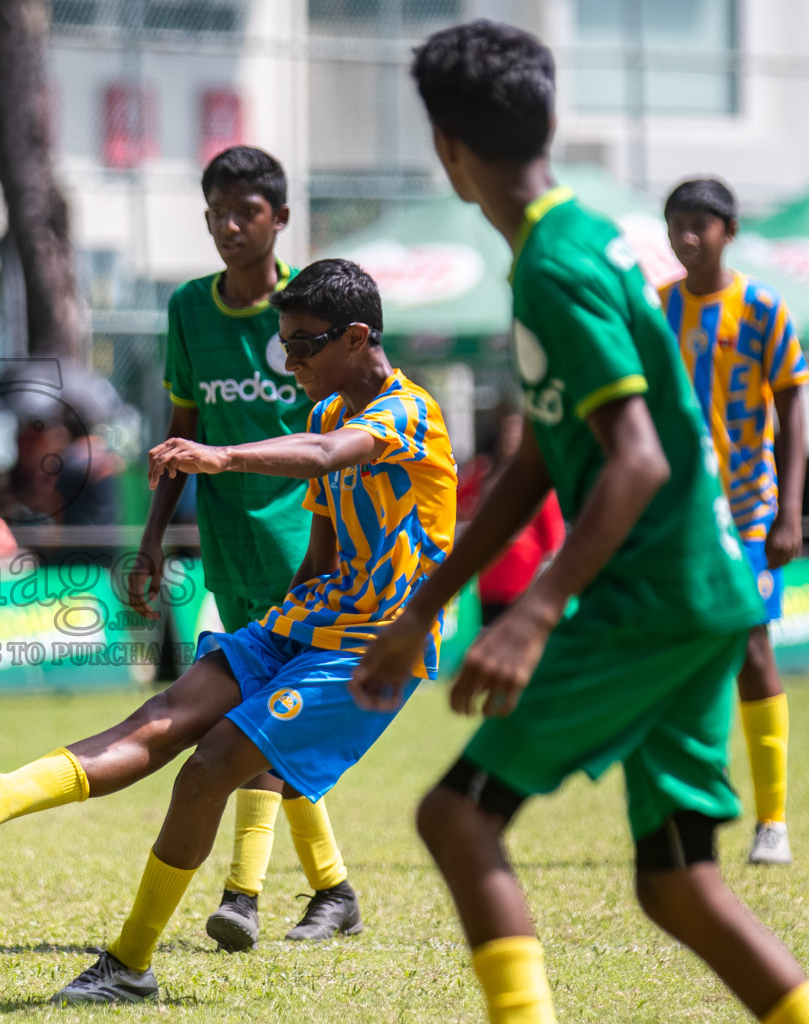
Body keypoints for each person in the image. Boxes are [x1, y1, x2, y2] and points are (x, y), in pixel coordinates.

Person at [352, 22, 809, 1024]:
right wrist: (430, 604)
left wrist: (533, 611)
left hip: (651, 596)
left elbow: (637, 457)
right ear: (549, 120)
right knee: (679, 880)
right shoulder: (583, 237)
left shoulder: (555, 267)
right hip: (707, 593)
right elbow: (541, 460)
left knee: (457, 819)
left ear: (448, 148)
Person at [0, 259, 456, 1003]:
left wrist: (218, 456)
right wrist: (288, 619)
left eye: (304, 345)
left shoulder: (409, 414)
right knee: (157, 720)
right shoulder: (323, 411)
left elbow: (322, 459)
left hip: (374, 647)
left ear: (359, 338)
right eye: (283, 346)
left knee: (210, 765)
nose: (290, 362)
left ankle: (132, 962)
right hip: (306, 623)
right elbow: (324, 542)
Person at [127, 145, 350, 953]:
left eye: (244, 211)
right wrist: (152, 538)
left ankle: (244, 894)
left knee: (262, 721)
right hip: (227, 546)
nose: (227, 225)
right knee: (266, 722)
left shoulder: (306, 311)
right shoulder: (188, 308)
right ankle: (332, 890)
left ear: (280, 219)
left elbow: (338, 432)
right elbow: (182, 431)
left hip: (306, 548)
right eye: (215, 211)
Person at [660, 178, 807, 866]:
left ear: (729, 231)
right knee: (684, 656)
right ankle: (695, 804)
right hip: (680, 517)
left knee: (751, 650)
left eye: (700, 225)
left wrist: (789, 510)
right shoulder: (657, 308)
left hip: (748, 512)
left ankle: (773, 819)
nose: (686, 237)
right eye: (676, 224)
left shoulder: (763, 309)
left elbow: (793, 412)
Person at [456, 412, 563, 624]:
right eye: (507, 431)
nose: (511, 437)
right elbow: (457, 505)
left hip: (523, 584)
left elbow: (553, 540)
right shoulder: (482, 473)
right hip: (485, 580)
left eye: (517, 433)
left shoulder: (538, 486)